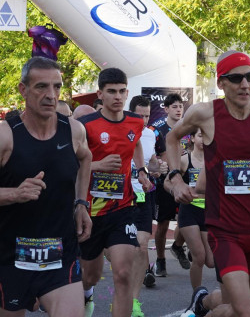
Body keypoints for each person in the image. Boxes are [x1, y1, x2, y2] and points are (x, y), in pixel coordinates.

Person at [166, 50, 250, 317]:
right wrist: (175, 178)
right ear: (221, 83)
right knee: (247, 311)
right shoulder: (204, 113)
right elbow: (172, 138)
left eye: (249, 77)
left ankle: (201, 308)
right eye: (236, 78)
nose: (245, 85)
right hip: (225, 229)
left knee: (237, 309)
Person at [0, 57, 92, 316]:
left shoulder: (74, 131)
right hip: (11, 257)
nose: (51, 95)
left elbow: (86, 158)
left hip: (60, 254)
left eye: (56, 87)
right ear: (23, 90)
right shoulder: (3, 135)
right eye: (41, 87)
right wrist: (15, 193)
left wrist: (81, 203)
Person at [78, 67, 152, 317]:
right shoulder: (85, 125)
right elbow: (69, 162)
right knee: (91, 276)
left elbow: (137, 142)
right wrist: (96, 165)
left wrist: (141, 170)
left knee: (122, 273)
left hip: (122, 208)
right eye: (111, 92)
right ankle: (86, 294)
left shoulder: (135, 121)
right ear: (100, 94)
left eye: (122, 91)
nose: (118, 97)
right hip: (89, 211)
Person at [128, 95, 166, 317]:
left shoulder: (151, 134)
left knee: (141, 245)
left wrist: (157, 167)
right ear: (130, 112)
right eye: (138, 115)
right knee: (122, 249)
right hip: (119, 195)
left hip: (143, 194)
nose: (142, 120)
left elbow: (151, 161)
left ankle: (133, 302)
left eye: (146, 115)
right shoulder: (121, 130)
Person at [149, 93, 189, 275]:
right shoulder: (156, 129)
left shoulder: (188, 127)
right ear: (165, 109)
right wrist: (159, 162)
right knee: (163, 224)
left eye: (180, 106)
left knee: (187, 219)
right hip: (163, 183)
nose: (179, 109)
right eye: (174, 106)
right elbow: (149, 155)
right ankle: (160, 260)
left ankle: (178, 246)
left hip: (186, 180)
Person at [177, 128, 214, 291]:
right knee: (199, 258)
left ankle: (190, 248)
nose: (203, 139)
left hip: (208, 212)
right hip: (189, 211)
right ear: (191, 138)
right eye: (200, 136)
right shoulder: (185, 160)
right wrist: (177, 189)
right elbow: (169, 181)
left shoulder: (214, 160)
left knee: (211, 262)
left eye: (206, 136)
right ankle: (197, 295)